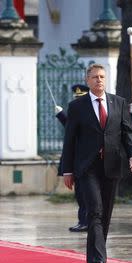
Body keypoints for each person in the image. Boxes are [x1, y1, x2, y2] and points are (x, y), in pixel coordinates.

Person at [62, 64, 132, 263]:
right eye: (94, 77)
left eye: (102, 76)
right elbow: (69, 141)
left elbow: (127, 132)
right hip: (87, 168)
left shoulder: (118, 103)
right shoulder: (77, 106)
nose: (99, 80)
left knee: (105, 214)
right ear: (87, 80)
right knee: (94, 210)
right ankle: (98, 262)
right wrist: (67, 170)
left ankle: (94, 259)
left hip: (112, 165)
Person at [55, 84, 89, 232]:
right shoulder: (76, 111)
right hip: (76, 159)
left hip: (85, 160)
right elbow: (71, 129)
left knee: (85, 194)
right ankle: (83, 221)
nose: (78, 100)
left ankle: (87, 221)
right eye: (76, 98)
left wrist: (62, 115)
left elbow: (78, 131)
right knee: (80, 194)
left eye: (80, 97)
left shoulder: (89, 112)